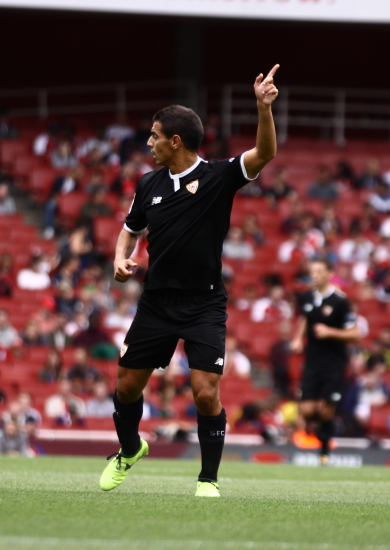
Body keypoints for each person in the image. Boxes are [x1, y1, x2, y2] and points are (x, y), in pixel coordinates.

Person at [101, 64, 280, 498]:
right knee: (126, 386)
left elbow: (265, 154)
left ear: (174, 141)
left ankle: (208, 480)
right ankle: (129, 449)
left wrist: (263, 109)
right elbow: (130, 227)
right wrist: (120, 257)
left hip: (203, 304)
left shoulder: (219, 177)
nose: (149, 143)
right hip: (157, 302)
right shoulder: (148, 185)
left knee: (204, 394)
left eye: (154, 135)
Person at [290, 258, 365, 464]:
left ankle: (324, 451)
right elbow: (306, 318)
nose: (314, 275)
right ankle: (321, 433)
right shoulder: (306, 297)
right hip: (312, 362)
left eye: (319, 271)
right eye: (312, 272)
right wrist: (298, 338)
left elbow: (355, 333)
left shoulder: (340, 301)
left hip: (335, 362)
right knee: (306, 410)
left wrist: (329, 331)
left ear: (330, 274)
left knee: (326, 409)